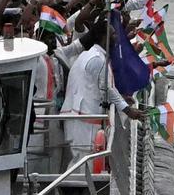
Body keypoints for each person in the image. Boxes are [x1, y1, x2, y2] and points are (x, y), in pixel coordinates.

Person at [60, 20, 145, 167]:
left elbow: (100, 86)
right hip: (83, 120)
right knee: (83, 161)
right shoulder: (96, 59)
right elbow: (106, 89)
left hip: (83, 118)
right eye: (113, 34)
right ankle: (71, 189)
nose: (116, 37)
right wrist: (127, 109)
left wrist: (122, 98)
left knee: (84, 160)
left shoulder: (91, 55)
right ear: (103, 37)